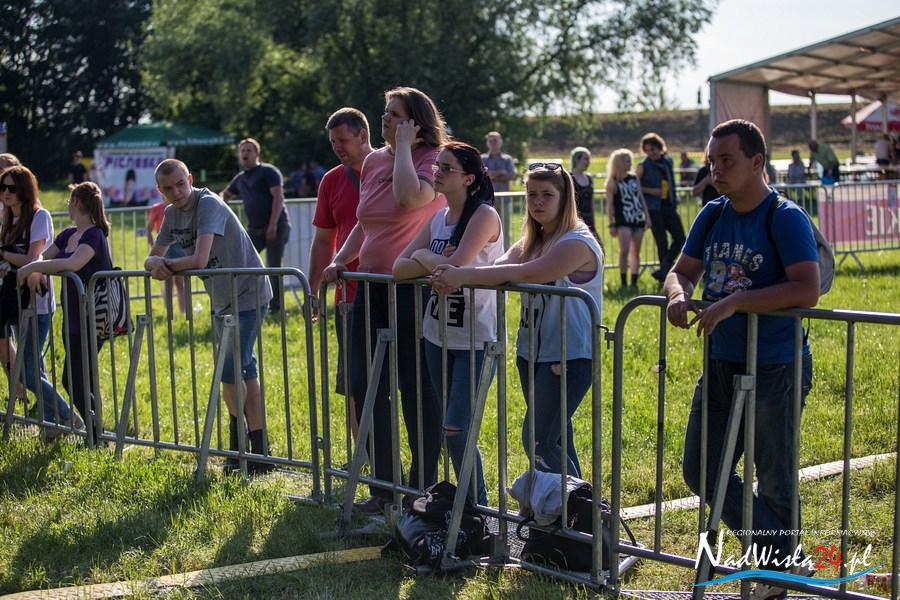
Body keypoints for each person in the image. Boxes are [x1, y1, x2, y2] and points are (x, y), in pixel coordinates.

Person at [664, 119, 819, 598]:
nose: (716, 170)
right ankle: (782, 559)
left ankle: (775, 578)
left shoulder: (785, 216)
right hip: (720, 363)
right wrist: (676, 294)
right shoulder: (712, 214)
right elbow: (680, 271)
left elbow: (807, 288)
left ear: (757, 162)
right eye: (712, 161)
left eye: (726, 160)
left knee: (774, 477)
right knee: (701, 469)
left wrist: (736, 301)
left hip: (775, 365)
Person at [430, 162, 603, 478]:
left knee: (538, 441)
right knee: (557, 440)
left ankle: (582, 506)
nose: (538, 202)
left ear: (565, 199)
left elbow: (524, 273)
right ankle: (570, 506)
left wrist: (461, 273)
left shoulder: (577, 242)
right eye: (531, 194)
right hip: (532, 353)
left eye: (547, 195)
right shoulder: (531, 242)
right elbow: (498, 268)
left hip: (569, 355)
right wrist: (458, 266)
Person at [322, 86, 446, 515]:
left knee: (415, 388)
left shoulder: (433, 159)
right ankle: (384, 486)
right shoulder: (375, 160)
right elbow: (364, 223)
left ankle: (421, 487)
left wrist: (406, 149)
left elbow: (410, 199)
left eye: (395, 114)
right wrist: (341, 259)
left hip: (412, 290)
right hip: (370, 288)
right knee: (363, 383)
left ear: (415, 121)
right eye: (385, 112)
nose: (386, 119)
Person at [147, 159, 274, 474]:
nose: (177, 192)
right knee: (245, 371)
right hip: (221, 301)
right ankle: (260, 453)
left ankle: (238, 450)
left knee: (228, 373)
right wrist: (154, 264)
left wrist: (164, 266)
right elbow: (152, 256)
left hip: (248, 294)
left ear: (190, 179)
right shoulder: (171, 214)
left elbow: (199, 259)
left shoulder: (209, 204)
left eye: (181, 184)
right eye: (168, 188)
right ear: (160, 190)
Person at [393, 141, 502, 505]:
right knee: (449, 428)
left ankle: (477, 507)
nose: (436, 173)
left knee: (457, 428)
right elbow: (399, 268)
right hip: (437, 336)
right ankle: (468, 509)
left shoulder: (484, 215)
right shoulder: (438, 218)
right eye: (436, 166)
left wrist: (430, 260)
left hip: (476, 339)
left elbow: (457, 269)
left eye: (446, 168)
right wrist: (434, 259)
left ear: (469, 178)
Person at [17, 182, 113, 444]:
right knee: (79, 378)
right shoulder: (68, 234)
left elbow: (73, 263)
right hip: (72, 318)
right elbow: (44, 257)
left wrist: (32, 269)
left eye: (70, 202)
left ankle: (96, 436)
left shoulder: (94, 235)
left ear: (76, 203)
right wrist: (36, 267)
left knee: (73, 379)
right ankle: (96, 436)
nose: (68, 206)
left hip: (93, 317)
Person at [307, 107, 374, 457]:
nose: (337, 148)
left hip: (397, 289)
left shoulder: (394, 171)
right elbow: (323, 241)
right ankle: (365, 456)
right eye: (332, 142)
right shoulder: (331, 181)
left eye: (342, 140)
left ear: (363, 135)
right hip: (348, 295)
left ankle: (410, 465)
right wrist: (312, 290)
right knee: (354, 382)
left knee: (407, 383)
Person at [1, 166, 84, 441]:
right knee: (34, 368)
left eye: (12, 188)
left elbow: (33, 259)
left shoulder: (39, 216)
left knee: (27, 371)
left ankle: (67, 415)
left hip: (36, 303)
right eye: (3, 187)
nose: (6, 193)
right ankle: (50, 426)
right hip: (14, 300)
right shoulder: (5, 219)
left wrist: (4, 255)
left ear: (25, 189)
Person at [222, 138, 290, 314]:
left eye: (249, 150)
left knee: (273, 266)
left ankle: (277, 308)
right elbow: (225, 195)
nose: (245, 153)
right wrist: (217, 205)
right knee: (241, 262)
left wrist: (273, 225)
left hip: (276, 225)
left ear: (257, 153)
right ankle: (245, 303)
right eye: (242, 150)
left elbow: (278, 198)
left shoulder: (268, 171)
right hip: (254, 229)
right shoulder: (240, 178)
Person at [636, 132, 686, 283]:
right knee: (661, 243)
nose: (651, 153)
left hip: (668, 205)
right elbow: (636, 187)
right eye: (647, 150)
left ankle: (664, 269)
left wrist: (674, 196)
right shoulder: (644, 166)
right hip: (654, 208)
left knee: (680, 238)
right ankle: (664, 277)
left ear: (659, 147)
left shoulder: (667, 161)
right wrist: (652, 191)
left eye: (653, 149)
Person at [605, 149, 651, 289]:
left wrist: (647, 216)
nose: (630, 164)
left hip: (636, 217)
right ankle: (623, 281)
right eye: (627, 161)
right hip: (622, 218)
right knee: (624, 250)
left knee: (635, 252)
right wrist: (611, 223)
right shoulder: (613, 181)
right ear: (619, 163)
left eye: (630, 161)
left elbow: (641, 197)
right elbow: (610, 205)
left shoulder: (634, 178)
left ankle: (634, 282)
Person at [146, 199, 186, 315]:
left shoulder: (179, 206)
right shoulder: (156, 208)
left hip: (178, 245)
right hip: (165, 246)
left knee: (180, 281)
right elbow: (149, 229)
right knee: (168, 280)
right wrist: (154, 247)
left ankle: (183, 313)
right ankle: (170, 313)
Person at [570, 146, 597, 238]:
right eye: (585, 159)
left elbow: (591, 200)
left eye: (589, 159)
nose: (588, 162)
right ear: (577, 159)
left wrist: (593, 219)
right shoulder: (569, 177)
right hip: (576, 219)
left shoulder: (589, 178)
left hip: (589, 218)